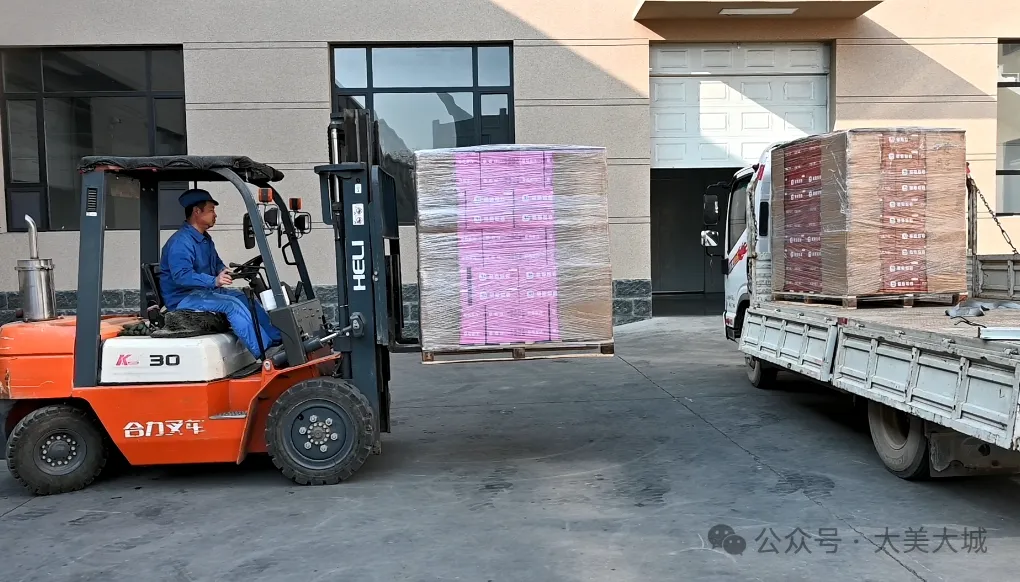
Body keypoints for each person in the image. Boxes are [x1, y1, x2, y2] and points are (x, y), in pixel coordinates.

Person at [159, 188, 282, 359]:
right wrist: (214, 281)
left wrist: (222, 270)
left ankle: (277, 340)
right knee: (231, 304)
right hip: (183, 298)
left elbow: (216, 262)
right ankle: (265, 352)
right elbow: (182, 276)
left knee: (243, 297)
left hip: (202, 292)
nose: (215, 215)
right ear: (197, 211)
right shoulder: (181, 242)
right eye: (211, 210)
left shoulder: (204, 239)